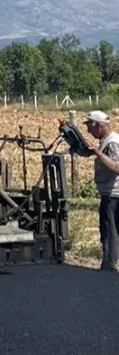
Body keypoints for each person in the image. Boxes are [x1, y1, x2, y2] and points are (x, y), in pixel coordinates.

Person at [78, 110, 119, 271]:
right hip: (110, 194)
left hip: (114, 195)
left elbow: (116, 167)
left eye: (90, 126)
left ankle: (109, 266)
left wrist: (98, 153)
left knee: (110, 230)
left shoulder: (113, 143)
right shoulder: (106, 141)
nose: (88, 131)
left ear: (98, 125)